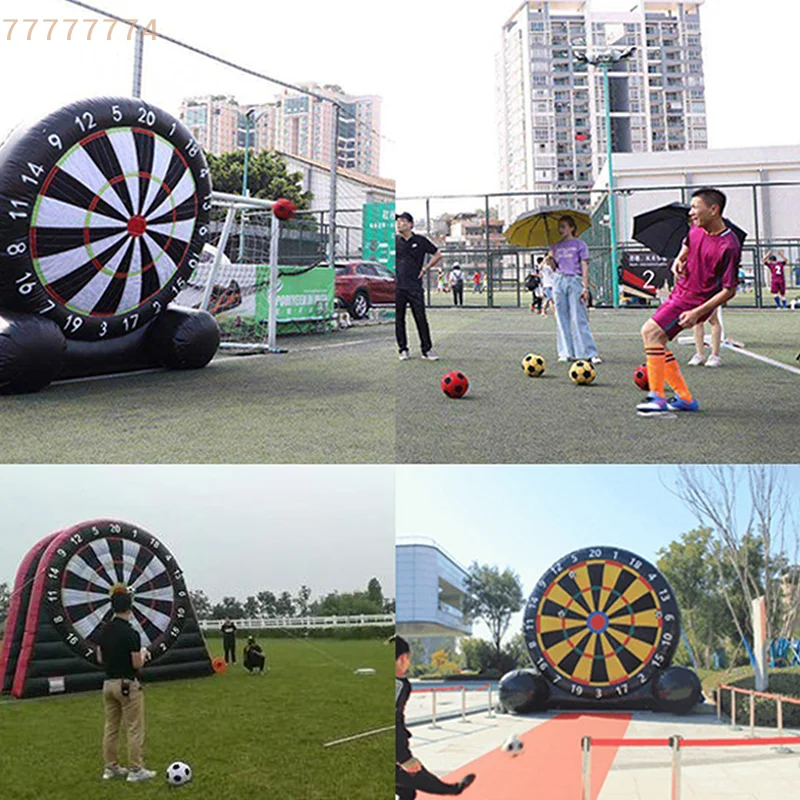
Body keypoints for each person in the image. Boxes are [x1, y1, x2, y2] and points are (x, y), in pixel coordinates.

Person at [637, 187, 741, 416]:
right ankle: (684, 398)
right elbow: (688, 243)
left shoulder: (729, 245)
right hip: (680, 292)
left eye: (695, 207)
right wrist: (679, 259)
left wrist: (698, 312)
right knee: (657, 339)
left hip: (694, 301)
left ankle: (657, 398)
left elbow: (729, 290)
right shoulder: (696, 228)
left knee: (650, 333)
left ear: (713, 210)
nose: (691, 212)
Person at [394, 636, 476, 799]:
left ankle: (454, 789)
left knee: (406, 791)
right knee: (413, 777)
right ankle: (454, 789)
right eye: (408, 659)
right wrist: (404, 758)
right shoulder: (399, 685)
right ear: (402, 658)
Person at [96, 590, 156, 783]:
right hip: (127, 685)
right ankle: (136, 770)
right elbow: (136, 664)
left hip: (108, 684)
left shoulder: (103, 630)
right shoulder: (131, 633)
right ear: (130, 608)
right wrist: (144, 654)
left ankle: (110, 767)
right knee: (134, 728)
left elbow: (99, 658)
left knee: (111, 728)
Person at [548, 216, 601, 364]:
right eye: (560, 227)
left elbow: (584, 266)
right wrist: (550, 260)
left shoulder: (580, 244)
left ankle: (589, 352)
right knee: (561, 317)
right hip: (559, 281)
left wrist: (585, 287)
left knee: (579, 317)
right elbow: (554, 268)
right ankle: (566, 352)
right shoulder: (555, 246)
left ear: (571, 228)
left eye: (564, 226)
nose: (561, 230)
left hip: (575, 280)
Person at [395, 212, 441, 361]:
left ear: (410, 224)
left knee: (421, 318)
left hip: (415, 287)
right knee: (399, 320)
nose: (399, 224)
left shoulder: (420, 241)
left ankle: (426, 350)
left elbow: (438, 254)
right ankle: (403, 350)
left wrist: (425, 269)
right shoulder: (394, 241)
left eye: (402, 221)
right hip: (398, 287)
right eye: (398, 221)